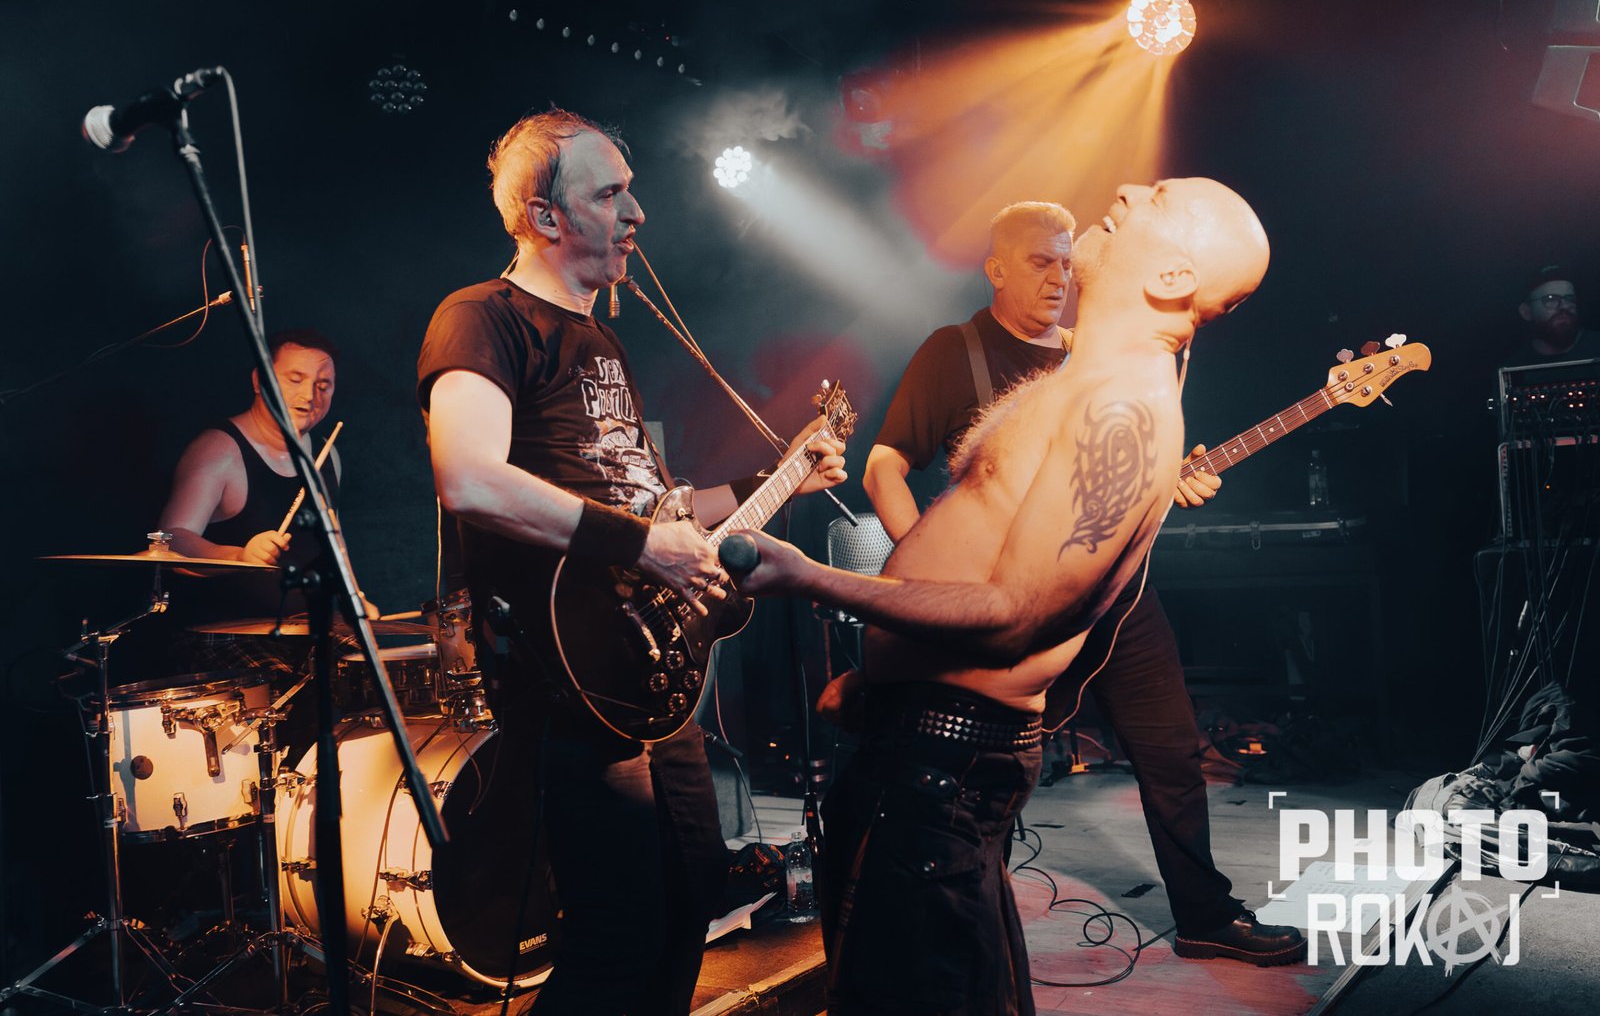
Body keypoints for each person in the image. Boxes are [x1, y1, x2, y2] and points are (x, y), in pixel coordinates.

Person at [733, 179, 1294, 1014]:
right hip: (920, 743)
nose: (1129, 188)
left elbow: (1015, 616)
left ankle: (1205, 912)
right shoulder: (1086, 377)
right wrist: (884, 681)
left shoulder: (1124, 411)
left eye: (1157, 197)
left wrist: (805, 574)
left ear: (1175, 276)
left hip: (945, 765)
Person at [416, 109, 846, 1015]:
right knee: (616, 933)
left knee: (688, 903)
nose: (636, 212)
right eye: (609, 193)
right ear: (545, 216)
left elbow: (658, 509)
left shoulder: (603, 341)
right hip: (566, 677)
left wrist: (780, 478)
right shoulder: (480, 318)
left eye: (630, 189)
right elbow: (468, 477)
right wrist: (645, 543)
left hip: (647, 670)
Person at [863, 201, 1286, 966]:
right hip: (998, 601)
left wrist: (1166, 484)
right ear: (997, 269)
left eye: (1067, 261)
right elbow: (883, 466)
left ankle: (1205, 912)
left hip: (1112, 597)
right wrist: (928, 573)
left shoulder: (1098, 353)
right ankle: (973, 918)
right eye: (1041, 262)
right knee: (975, 772)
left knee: (1170, 745)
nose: (1060, 276)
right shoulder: (956, 351)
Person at [157, 328, 356, 682]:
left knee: (372, 679)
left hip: (303, 629)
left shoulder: (327, 455)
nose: (310, 395)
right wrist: (240, 555)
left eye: (323, 385)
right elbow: (170, 541)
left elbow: (333, 542)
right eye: (295, 379)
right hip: (222, 636)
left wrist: (351, 598)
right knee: (288, 691)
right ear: (259, 379)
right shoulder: (219, 450)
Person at [1502, 264, 1600, 369]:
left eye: (1569, 298)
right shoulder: (1514, 368)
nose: (1564, 306)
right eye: (1551, 299)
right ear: (1526, 312)